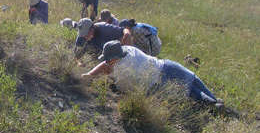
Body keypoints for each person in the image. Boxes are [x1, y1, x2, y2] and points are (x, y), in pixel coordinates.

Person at [81, 40, 223, 107]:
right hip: (167, 65)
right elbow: (107, 63)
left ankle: (213, 105)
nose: (107, 62)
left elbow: (123, 89)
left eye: (109, 60)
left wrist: (98, 76)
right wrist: (90, 74)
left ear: (114, 59)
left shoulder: (122, 71)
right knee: (193, 80)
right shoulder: (129, 49)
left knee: (192, 94)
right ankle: (216, 101)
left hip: (161, 81)